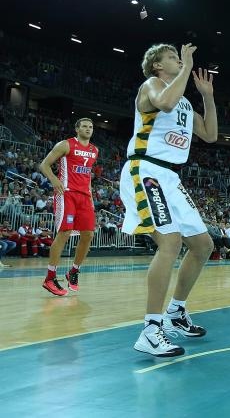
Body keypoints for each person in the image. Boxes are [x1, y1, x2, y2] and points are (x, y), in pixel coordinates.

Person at [121, 43, 217, 357]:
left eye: (180, 58)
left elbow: (210, 134)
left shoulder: (186, 103)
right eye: (174, 58)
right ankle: (150, 329)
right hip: (145, 168)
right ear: (158, 66)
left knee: (203, 245)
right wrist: (187, 67)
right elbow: (163, 103)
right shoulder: (151, 86)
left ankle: (176, 311)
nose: (180, 60)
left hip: (171, 177)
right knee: (170, 243)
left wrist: (207, 97)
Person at [38, 118, 99, 296]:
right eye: (85, 126)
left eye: (91, 127)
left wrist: (91, 197)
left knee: (88, 235)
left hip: (85, 196)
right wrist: (54, 179)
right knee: (64, 233)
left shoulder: (95, 150)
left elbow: (86, 175)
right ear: (77, 128)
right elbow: (44, 164)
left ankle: (73, 271)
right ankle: (50, 277)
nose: (88, 129)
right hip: (67, 194)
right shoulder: (66, 145)